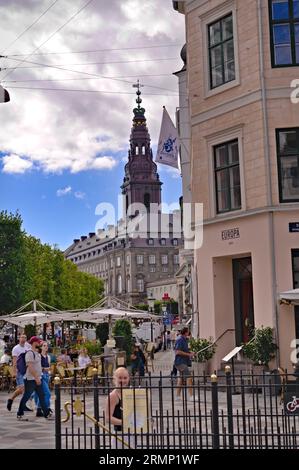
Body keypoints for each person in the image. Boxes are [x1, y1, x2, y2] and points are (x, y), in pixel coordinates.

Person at [17, 336, 52, 420]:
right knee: (26, 396)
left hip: (37, 378)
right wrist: (36, 377)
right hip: (30, 380)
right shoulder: (29, 353)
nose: (39, 343)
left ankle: (46, 413)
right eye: (38, 342)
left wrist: (38, 377)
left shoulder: (36, 353)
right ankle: (19, 413)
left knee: (42, 395)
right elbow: (30, 367)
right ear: (34, 342)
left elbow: (37, 366)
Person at [105, 367, 130, 449]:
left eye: (125, 378)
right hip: (119, 434)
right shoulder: (113, 396)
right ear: (114, 379)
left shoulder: (130, 392)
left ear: (128, 378)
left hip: (131, 432)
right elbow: (108, 418)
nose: (122, 380)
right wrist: (125, 423)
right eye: (120, 378)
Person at [6, 334, 31, 412]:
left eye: (25, 337)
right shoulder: (16, 348)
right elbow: (14, 361)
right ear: (19, 338)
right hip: (19, 371)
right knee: (21, 388)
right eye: (22, 337)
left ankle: (22, 405)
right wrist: (14, 372)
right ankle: (10, 399)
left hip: (26, 371)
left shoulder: (27, 348)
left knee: (24, 389)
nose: (23, 339)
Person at [174, 327, 195, 400]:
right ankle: (191, 396)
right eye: (188, 331)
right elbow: (178, 351)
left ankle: (177, 396)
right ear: (186, 332)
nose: (189, 333)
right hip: (180, 362)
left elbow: (184, 350)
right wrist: (189, 354)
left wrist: (190, 353)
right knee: (189, 377)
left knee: (181, 379)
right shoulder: (180, 340)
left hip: (182, 362)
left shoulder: (185, 340)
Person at [34, 341, 52, 417]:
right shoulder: (38, 356)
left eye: (47, 345)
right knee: (47, 393)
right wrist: (45, 369)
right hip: (40, 376)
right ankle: (46, 408)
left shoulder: (48, 357)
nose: (46, 347)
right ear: (41, 347)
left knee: (40, 393)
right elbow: (38, 367)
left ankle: (39, 409)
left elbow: (49, 366)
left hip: (47, 375)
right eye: (44, 345)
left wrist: (48, 370)